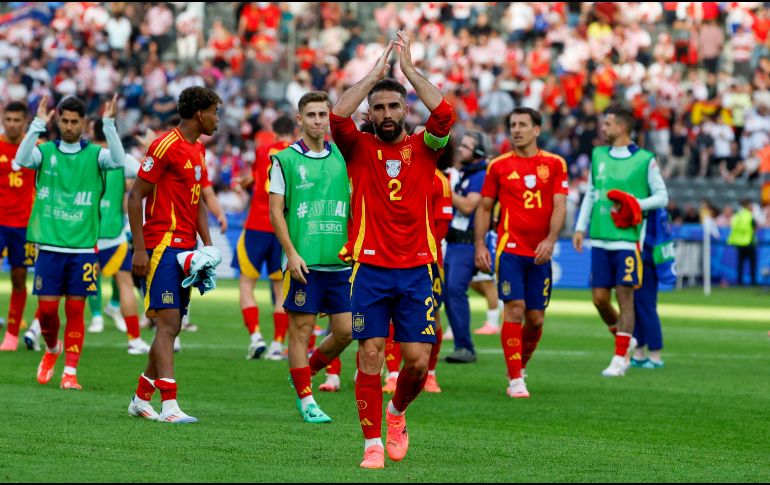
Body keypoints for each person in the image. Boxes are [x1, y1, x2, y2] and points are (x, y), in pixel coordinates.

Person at [330, 31, 454, 469]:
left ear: (405, 111)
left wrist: (409, 70)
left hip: (418, 269)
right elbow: (338, 114)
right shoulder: (357, 148)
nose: (386, 114)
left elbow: (445, 112)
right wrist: (376, 73)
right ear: (371, 112)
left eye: (393, 106)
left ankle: (396, 413)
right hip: (370, 269)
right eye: (379, 107)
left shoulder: (425, 147)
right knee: (370, 353)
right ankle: (372, 445)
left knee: (418, 363)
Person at [16, 94, 125, 389]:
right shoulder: (46, 151)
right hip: (50, 248)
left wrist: (110, 124)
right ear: (58, 120)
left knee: (75, 310)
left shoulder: (95, 155)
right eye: (64, 120)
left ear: (84, 123)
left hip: (82, 250)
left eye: (74, 122)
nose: (68, 126)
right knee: (49, 312)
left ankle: (71, 373)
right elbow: (21, 160)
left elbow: (118, 161)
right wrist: (38, 123)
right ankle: (52, 349)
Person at [127, 86, 223, 423]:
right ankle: (169, 405)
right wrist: (139, 249)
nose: (217, 120)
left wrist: (207, 246)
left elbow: (195, 203)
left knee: (173, 325)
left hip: (185, 249)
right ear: (200, 113)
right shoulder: (165, 145)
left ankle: (141, 398)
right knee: (167, 324)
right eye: (214, 113)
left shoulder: (197, 150)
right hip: (161, 246)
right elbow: (135, 196)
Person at [268, 91, 352, 423]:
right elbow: (276, 212)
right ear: (300, 119)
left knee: (346, 331)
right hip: (304, 262)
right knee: (301, 331)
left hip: (340, 261)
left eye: (323, 114)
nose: (319, 120)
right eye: (312, 114)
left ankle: (308, 368)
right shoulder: (285, 159)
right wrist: (291, 253)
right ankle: (306, 400)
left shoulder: (342, 157)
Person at [474, 107, 568, 398]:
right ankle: (516, 379)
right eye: (513, 125)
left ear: (537, 129)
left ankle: (519, 365)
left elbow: (560, 205)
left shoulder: (554, 163)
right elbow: (486, 207)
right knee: (514, 310)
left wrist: (551, 239)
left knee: (536, 318)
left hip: (541, 251)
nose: (516, 130)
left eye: (523, 125)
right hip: (510, 250)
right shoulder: (498, 166)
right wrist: (480, 244)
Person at [572, 106, 668, 377]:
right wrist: (581, 227)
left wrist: (635, 204)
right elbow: (591, 192)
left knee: (626, 298)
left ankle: (619, 357)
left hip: (627, 240)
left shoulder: (645, 159)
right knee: (600, 300)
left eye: (608, 124)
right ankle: (627, 340)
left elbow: (662, 196)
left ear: (623, 128)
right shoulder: (598, 154)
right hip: (600, 238)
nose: (603, 128)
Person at [233, 115, 293, 360]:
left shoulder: (262, 151)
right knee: (280, 288)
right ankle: (277, 345)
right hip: (283, 229)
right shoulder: (298, 153)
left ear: (273, 130)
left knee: (247, 283)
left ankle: (256, 336)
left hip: (257, 223)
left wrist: (246, 182)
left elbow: (260, 179)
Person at [89, 119, 151, 355]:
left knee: (78, 285)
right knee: (125, 283)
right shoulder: (122, 159)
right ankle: (134, 340)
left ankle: (94, 319)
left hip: (85, 234)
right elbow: (148, 172)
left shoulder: (85, 154)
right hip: (115, 233)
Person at [444, 131, 488, 363]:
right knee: (448, 292)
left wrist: (444, 188)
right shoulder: (466, 174)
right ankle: (461, 344)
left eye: (466, 146)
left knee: (454, 290)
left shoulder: (480, 175)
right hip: (455, 243)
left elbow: (469, 206)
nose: (460, 149)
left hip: (468, 243)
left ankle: (465, 346)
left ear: (478, 152)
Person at [0, 101, 37, 351]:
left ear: (25, 122)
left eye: (16, 120)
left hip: (24, 226)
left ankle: (11, 335)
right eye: (8, 119)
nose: (11, 124)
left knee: (18, 277)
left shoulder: (35, 150)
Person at [631, 207, 676, 369]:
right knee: (634, 306)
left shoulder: (653, 209)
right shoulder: (655, 209)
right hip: (638, 258)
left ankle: (655, 354)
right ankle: (639, 352)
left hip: (646, 260)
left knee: (645, 306)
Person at [727, 198, 757, 286]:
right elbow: (754, 227)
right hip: (748, 242)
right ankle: (753, 282)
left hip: (739, 243)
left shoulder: (737, 215)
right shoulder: (749, 215)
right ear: (747, 205)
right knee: (752, 264)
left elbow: (733, 227)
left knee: (740, 264)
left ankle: (739, 282)